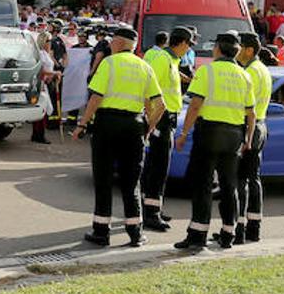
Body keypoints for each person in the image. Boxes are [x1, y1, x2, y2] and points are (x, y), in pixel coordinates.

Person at [72, 27, 165, 248]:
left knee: (103, 179)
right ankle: (135, 233)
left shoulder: (109, 64)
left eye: (112, 42)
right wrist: (148, 128)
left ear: (118, 43)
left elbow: (96, 97)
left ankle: (101, 232)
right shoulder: (145, 67)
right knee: (131, 181)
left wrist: (82, 124)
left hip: (107, 125)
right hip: (134, 126)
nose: (110, 46)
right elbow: (160, 105)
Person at [173, 32, 255, 252]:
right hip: (234, 136)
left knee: (203, 185)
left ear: (217, 49)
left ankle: (198, 235)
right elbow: (251, 113)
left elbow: (195, 105)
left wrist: (183, 134)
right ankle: (229, 234)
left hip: (209, 133)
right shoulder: (244, 75)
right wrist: (247, 139)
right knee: (229, 186)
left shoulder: (206, 71)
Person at [141, 26, 193, 229]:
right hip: (160, 118)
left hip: (166, 118)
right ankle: (151, 213)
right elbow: (148, 86)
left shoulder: (172, 60)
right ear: (180, 43)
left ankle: (153, 208)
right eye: (188, 45)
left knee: (158, 165)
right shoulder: (163, 59)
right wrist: (151, 119)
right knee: (158, 166)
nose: (188, 49)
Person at [235, 32, 271, 244]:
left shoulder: (250, 72)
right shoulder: (262, 69)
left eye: (239, 47)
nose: (236, 51)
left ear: (249, 50)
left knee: (240, 179)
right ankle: (253, 228)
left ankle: (237, 229)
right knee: (253, 178)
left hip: (248, 127)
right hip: (260, 126)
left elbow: (244, 104)